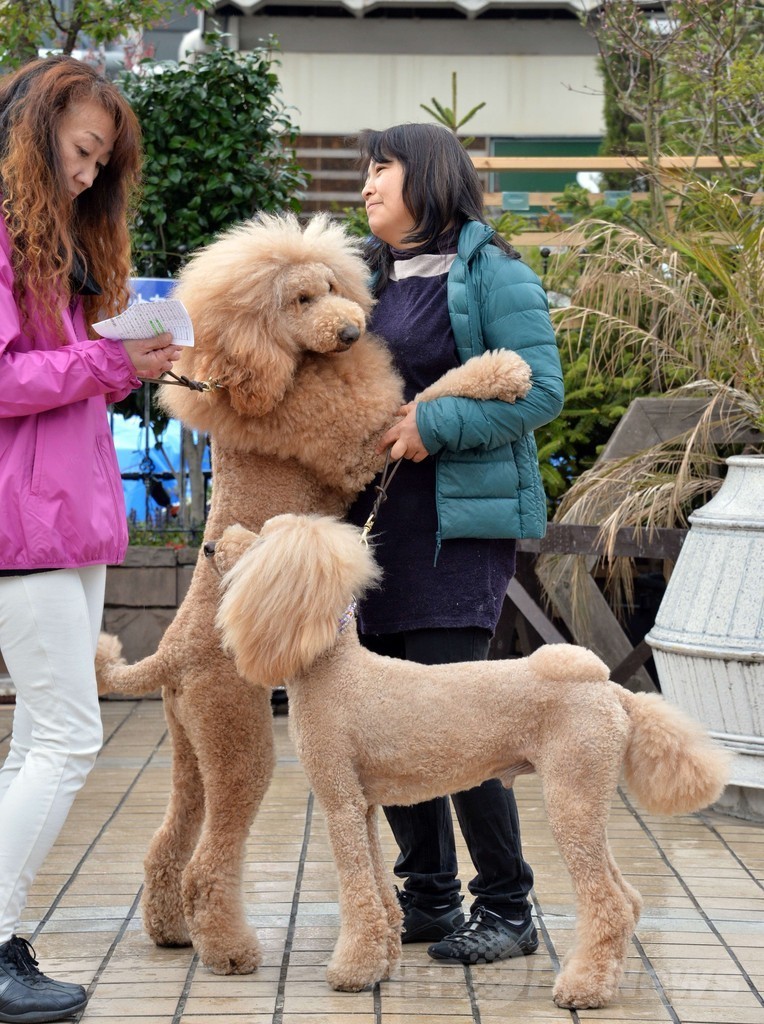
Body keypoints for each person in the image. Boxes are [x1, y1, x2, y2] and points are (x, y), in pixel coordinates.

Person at [347, 123, 564, 965]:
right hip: (373, 531)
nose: (367, 187)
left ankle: (507, 906)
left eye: (382, 170)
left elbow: (538, 390)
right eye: (365, 172)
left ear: (428, 177)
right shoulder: (369, 277)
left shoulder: (492, 273)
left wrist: (436, 424)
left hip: (457, 528)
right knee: (390, 720)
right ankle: (428, 897)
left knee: (461, 719)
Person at [0, 56, 181, 1023]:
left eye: (101, 163)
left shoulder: (54, 245)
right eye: (79, 153)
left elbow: (57, 379)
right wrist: (97, 357)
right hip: (18, 528)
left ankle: (5, 940)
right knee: (67, 736)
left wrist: (123, 362)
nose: (87, 175)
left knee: (40, 736)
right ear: (34, 128)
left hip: (68, 524)